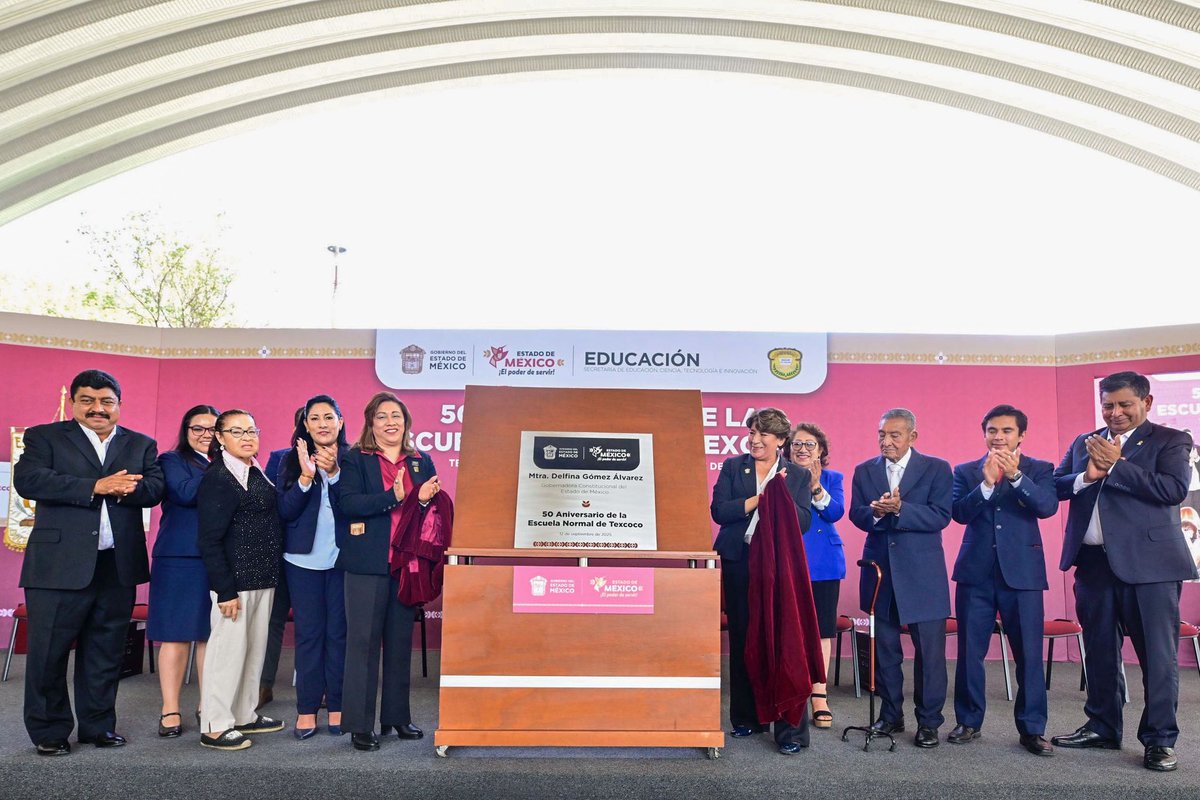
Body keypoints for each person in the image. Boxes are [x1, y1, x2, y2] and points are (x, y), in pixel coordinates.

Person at [13, 369, 165, 756]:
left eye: (106, 401)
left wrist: (125, 488)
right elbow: (29, 480)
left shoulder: (141, 443)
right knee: (48, 653)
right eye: (88, 400)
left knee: (106, 652)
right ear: (74, 403)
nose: (98, 408)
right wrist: (95, 486)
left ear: (118, 405)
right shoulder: (44, 437)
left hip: (117, 565)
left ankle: (98, 726)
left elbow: (154, 488)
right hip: (57, 566)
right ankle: (49, 730)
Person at [1051, 371, 1197, 772]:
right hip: (1093, 565)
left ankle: (1159, 740)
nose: (1115, 413)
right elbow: (1055, 486)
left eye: (1124, 404)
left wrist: (1117, 466)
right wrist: (1087, 476)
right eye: (1108, 405)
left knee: (1158, 657)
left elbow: (1172, 490)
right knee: (1099, 651)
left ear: (1146, 403)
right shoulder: (1084, 442)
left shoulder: (1171, 440)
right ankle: (1102, 726)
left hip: (1151, 569)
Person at [332, 391, 441, 752]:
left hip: (406, 565)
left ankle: (396, 717)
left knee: (399, 644)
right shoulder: (355, 459)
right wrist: (393, 497)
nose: (390, 422)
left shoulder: (421, 460)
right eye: (382, 416)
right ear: (371, 423)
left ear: (406, 422)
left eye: (396, 416)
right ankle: (359, 725)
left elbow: (430, 515)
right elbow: (348, 504)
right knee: (362, 644)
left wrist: (423, 502)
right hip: (367, 564)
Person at [949, 405, 1058, 756]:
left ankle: (1032, 728)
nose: (998, 437)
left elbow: (1047, 507)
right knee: (970, 652)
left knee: (1029, 654)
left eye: (1007, 431)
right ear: (984, 434)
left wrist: (1015, 477)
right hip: (975, 574)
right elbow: (958, 513)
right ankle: (968, 721)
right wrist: (986, 483)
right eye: (992, 430)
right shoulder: (965, 471)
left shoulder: (1039, 469)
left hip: (1023, 575)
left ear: (1021, 435)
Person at [711, 408, 814, 755]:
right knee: (743, 639)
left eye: (763, 435)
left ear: (780, 440)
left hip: (777, 567)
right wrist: (760, 498)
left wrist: (779, 495)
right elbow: (720, 511)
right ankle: (747, 718)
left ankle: (790, 731)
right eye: (751, 433)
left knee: (783, 642)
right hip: (740, 562)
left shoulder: (797, 474)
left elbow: (802, 522)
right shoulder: (732, 467)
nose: (755, 440)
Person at [849, 407, 952, 749]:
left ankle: (929, 722)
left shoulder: (937, 468)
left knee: (930, 654)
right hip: (881, 574)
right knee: (886, 651)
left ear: (912, 436)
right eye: (882, 435)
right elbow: (856, 515)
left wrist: (901, 509)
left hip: (923, 575)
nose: (886, 441)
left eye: (894, 435)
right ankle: (891, 715)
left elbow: (941, 516)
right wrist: (876, 512)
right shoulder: (864, 470)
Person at [196, 409, 286, 750]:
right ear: (220, 438)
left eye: (251, 430)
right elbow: (209, 540)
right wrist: (225, 590)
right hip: (235, 584)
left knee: (252, 651)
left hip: (263, 577)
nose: (247, 437)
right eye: (237, 431)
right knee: (227, 654)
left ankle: (244, 714)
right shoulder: (218, 477)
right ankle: (215, 725)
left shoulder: (254, 469)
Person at [275, 395, 349, 738]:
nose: (322, 424)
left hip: (342, 560)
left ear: (340, 422)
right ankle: (306, 709)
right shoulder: (288, 459)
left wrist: (333, 474)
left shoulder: (355, 458)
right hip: (301, 561)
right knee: (309, 635)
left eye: (328, 417)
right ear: (305, 424)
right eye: (314, 418)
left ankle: (337, 705)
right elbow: (285, 511)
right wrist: (306, 478)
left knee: (338, 634)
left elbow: (355, 507)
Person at [148, 404, 219, 738]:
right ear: (186, 431)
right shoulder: (171, 460)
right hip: (180, 558)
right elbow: (186, 493)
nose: (205, 435)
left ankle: (209, 706)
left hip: (218, 559)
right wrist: (228, 468)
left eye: (213, 429)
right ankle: (170, 709)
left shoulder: (234, 462)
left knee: (211, 637)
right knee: (175, 636)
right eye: (197, 428)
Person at [786, 422, 845, 730]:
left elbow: (835, 513)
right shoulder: (778, 476)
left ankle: (819, 695)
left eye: (810, 444)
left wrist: (816, 486)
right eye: (797, 443)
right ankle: (791, 690)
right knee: (790, 629)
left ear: (820, 450)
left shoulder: (833, 478)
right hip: (788, 560)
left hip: (823, 563)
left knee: (822, 629)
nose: (803, 449)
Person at [258, 406, 304, 710]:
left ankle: (319, 686)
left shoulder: (341, 458)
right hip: (279, 552)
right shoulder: (278, 458)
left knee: (316, 624)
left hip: (320, 556)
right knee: (271, 621)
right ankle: (263, 685)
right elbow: (269, 504)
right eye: (306, 422)